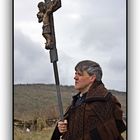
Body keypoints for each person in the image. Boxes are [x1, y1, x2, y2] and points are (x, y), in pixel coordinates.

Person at [51, 60, 126, 140]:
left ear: (92, 78)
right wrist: (61, 128)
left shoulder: (105, 100)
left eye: (79, 74)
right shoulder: (76, 101)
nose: (75, 77)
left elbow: (114, 129)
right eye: (75, 73)